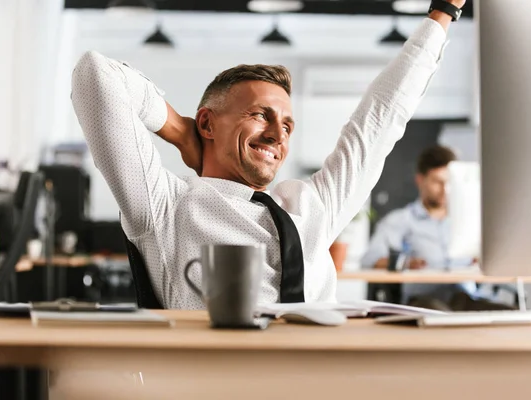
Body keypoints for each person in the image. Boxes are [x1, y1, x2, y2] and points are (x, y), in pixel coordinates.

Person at [70, 0, 466, 309]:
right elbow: (96, 76)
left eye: (288, 126)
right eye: (261, 115)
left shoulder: (312, 205)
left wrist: (444, 12)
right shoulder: (164, 205)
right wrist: (180, 133)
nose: (278, 135)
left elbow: (381, 118)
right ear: (207, 124)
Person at [361, 145, 512, 311]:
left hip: (463, 297)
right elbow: (370, 259)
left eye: (449, 183)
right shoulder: (401, 220)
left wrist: (483, 258)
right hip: (423, 301)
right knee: (442, 316)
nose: (445, 190)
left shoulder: (468, 220)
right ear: (420, 180)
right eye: (438, 182)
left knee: (510, 314)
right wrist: (406, 262)